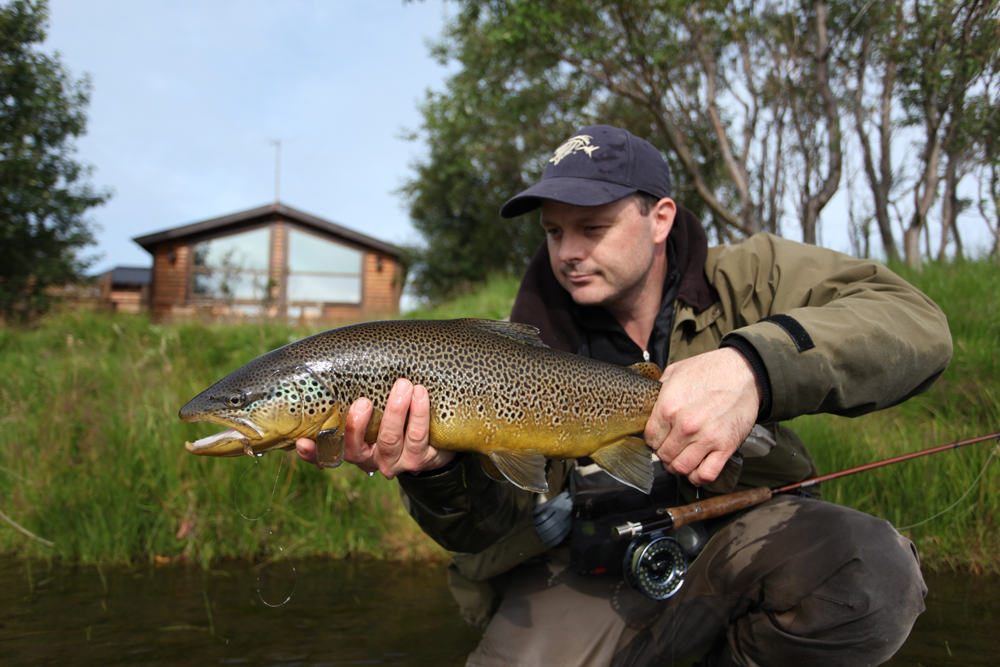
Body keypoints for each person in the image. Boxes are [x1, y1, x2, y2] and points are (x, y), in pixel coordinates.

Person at [296, 125, 952, 667]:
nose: (569, 253)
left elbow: (915, 325)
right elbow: (486, 528)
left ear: (659, 216)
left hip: (744, 537)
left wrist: (753, 365)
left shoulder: (751, 276)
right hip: (582, 567)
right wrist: (437, 475)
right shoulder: (514, 344)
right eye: (555, 232)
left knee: (870, 575)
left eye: (594, 226)